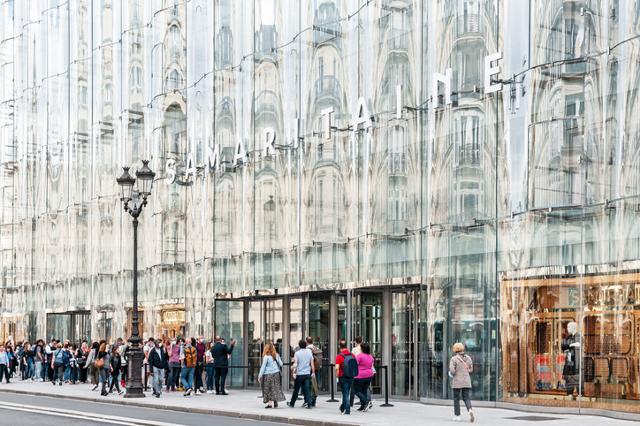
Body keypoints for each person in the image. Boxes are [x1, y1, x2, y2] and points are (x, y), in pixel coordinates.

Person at [449, 342, 474, 423]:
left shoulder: (454, 359)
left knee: (456, 399)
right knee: (466, 397)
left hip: (457, 382)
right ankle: (470, 410)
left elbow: (452, 371)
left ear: (455, 349)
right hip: (466, 381)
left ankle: (457, 416)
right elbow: (471, 369)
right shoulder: (468, 358)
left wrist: (451, 373)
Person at [287, 339, 315, 409]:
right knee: (307, 390)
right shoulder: (309, 352)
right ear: (306, 345)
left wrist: (293, 372)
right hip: (307, 373)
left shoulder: (297, 353)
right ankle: (309, 404)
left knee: (296, 389)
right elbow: (312, 363)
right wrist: (313, 372)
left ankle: (292, 403)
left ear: (299, 346)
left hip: (299, 374)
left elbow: (296, 364)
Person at [258, 342, 285, 409]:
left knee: (269, 388)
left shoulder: (266, 357)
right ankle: (275, 402)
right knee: (275, 387)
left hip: (268, 374)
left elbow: (263, 367)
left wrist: (259, 375)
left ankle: (270, 404)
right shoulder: (277, 355)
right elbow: (281, 364)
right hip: (276, 374)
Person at [335, 339, 358, 415]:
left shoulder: (339, 356)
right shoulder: (352, 355)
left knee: (345, 393)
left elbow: (337, 368)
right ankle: (343, 407)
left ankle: (347, 409)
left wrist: (337, 376)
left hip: (343, 376)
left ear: (339, 347)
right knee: (347, 392)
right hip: (351, 376)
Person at [354, 342, 375, 412]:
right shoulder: (370, 356)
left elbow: (355, 364)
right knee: (364, 390)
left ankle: (366, 402)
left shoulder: (359, 356)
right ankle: (363, 406)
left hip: (360, 375)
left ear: (362, 348)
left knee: (356, 390)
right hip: (369, 375)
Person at [305, 336, 323, 407]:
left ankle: (309, 401)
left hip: (310, 369)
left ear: (306, 341)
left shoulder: (308, 349)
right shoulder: (316, 348)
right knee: (315, 384)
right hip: (316, 368)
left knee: (309, 385)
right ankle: (314, 400)